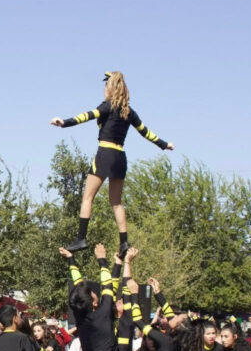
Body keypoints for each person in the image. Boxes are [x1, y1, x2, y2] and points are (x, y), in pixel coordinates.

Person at [50, 71, 174, 255]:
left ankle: (81, 238)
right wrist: (164, 145)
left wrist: (64, 122)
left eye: (105, 86)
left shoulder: (107, 106)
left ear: (110, 88)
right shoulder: (129, 112)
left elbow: (88, 115)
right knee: (116, 203)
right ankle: (124, 243)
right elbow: (145, 132)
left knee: (87, 198)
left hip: (105, 153)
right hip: (120, 157)